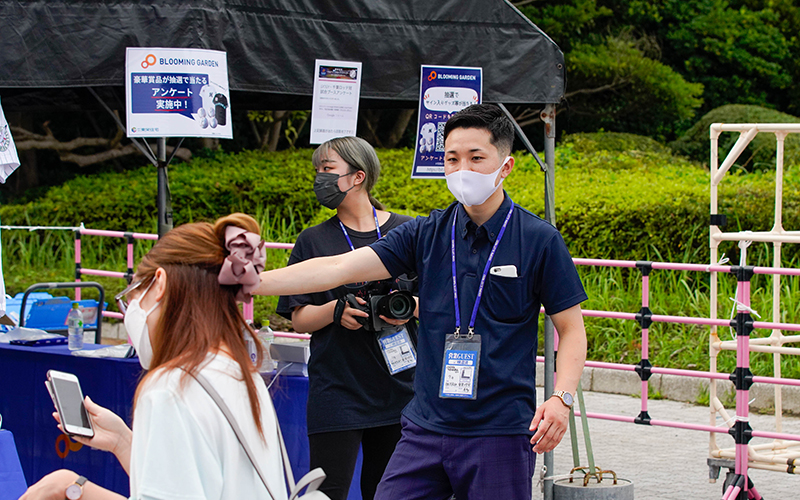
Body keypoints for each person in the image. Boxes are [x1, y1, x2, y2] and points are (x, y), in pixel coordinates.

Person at [255, 104, 587, 500]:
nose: (462, 168)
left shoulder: (538, 239)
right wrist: (248, 282)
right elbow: (338, 268)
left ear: (507, 165)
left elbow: (571, 329)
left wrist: (561, 398)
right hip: (424, 427)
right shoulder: (426, 232)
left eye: (476, 157)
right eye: (452, 158)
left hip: (499, 431)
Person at [21, 214, 287, 500]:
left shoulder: (170, 387)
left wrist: (73, 487)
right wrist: (122, 441)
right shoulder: (240, 373)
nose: (132, 311)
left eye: (134, 293)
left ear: (159, 282)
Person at [276, 136, 416, 500]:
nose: (319, 177)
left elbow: (442, 301)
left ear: (358, 176)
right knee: (327, 492)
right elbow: (299, 318)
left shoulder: (408, 231)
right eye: (317, 170)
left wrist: (407, 306)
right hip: (337, 389)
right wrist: (335, 311)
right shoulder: (313, 240)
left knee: (386, 492)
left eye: (328, 169)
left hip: (401, 387)